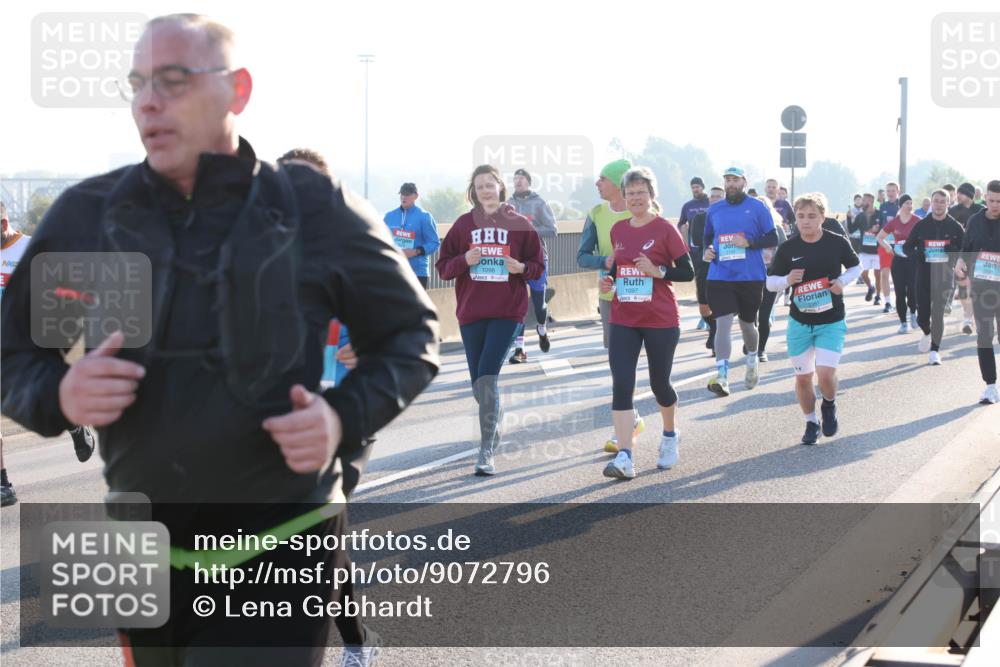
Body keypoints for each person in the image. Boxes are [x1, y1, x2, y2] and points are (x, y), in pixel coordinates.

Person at [1, 15, 439, 666]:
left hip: (281, 540)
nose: (148, 100)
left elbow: (412, 332)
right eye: (138, 83)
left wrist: (342, 416)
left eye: (173, 80)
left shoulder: (311, 207)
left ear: (238, 90)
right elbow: (13, 359)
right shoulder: (91, 217)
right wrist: (60, 391)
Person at [436, 164, 544, 475]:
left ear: (500, 187)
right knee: (478, 385)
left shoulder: (520, 223)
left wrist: (521, 268)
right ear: (474, 191)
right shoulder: (462, 225)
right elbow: (443, 268)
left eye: (490, 184)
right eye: (480, 185)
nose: (486, 190)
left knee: (487, 378)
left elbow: (538, 264)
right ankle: (493, 419)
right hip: (471, 312)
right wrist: (463, 260)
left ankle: (485, 451)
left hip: (507, 311)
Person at [599, 167, 693, 480]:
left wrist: (659, 271)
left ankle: (669, 433)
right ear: (623, 198)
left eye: (641, 192)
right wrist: (609, 282)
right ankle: (625, 455)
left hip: (660, 319)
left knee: (658, 383)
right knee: (622, 384)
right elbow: (618, 268)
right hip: (624, 317)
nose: (636, 198)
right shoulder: (619, 230)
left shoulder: (666, 229)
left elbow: (688, 271)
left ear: (651, 196)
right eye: (631, 193)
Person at [766, 193, 861, 445]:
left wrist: (842, 282)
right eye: (800, 216)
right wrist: (787, 280)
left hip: (830, 320)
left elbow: (856, 267)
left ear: (822, 217)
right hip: (800, 323)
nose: (805, 222)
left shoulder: (837, 242)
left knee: (826, 375)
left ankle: (828, 405)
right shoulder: (788, 248)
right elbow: (770, 282)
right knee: (803, 377)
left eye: (811, 216)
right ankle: (810, 421)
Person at [577, 159, 646, 452]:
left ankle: (633, 424)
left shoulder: (644, 212)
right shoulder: (595, 214)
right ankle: (631, 421)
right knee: (619, 363)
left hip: (644, 297)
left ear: (619, 184)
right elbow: (582, 256)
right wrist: (602, 261)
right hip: (610, 298)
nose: (597, 183)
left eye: (602, 179)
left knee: (636, 364)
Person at [702, 166, 778, 396]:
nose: (731, 184)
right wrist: (707, 251)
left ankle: (752, 360)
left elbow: (772, 237)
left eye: (735, 180)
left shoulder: (757, 207)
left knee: (747, 324)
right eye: (727, 180)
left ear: (744, 182)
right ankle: (722, 376)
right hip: (720, 275)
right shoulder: (715, 210)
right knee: (722, 322)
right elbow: (707, 238)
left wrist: (750, 243)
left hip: (750, 276)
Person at [902, 190, 964, 365]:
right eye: (936, 201)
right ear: (932, 203)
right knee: (922, 316)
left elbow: (965, 250)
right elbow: (907, 247)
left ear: (948, 204)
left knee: (937, 314)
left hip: (944, 276)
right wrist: (917, 255)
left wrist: (954, 252)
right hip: (923, 274)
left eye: (942, 202)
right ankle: (928, 333)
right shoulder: (921, 225)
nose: (938, 204)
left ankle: (935, 351)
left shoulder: (955, 226)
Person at [956, 180, 1000, 404]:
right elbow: (966, 247)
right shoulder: (975, 221)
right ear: (986, 199)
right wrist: (960, 262)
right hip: (982, 287)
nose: (994, 205)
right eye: (991, 200)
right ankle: (990, 386)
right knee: (984, 335)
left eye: (999, 201)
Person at [508, 168, 557, 363]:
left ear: (528, 182)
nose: (518, 181)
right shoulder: (508, 204)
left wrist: (528, 230)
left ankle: (542, 329)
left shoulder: (539, 203)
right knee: (517, 305)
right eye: (515, 179)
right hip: (514, 260)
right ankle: (520, 349)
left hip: (536, 258)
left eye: (521, 179)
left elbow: (553, 230)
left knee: (538, 305)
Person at [383, 182, 441, 290]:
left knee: (415, 307)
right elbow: (381, 240)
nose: (404, 197)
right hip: (394, 271)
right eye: (402, 194)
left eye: (407, 194)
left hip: (418, 273)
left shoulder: (424, 217)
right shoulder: (389, 217)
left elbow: (434, 243)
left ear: (415, 196)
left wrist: (415, 251)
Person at [688, 186, 724, 351]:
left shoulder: (729, 218)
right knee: (704, 307)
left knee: (721, 303)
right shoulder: (700, 218)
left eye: (719, 196)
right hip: (704, 266)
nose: (715, 199)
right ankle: (713, 326)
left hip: (725, 267)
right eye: (713, 196)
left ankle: (717, 332)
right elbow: (698, 239)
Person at [877, 194, 919, 332]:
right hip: (898, 261)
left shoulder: (917, 220)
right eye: (907, 203)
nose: (910, 205)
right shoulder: (894, 222)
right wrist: (887, 246)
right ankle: (903, 323)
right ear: (901, 206)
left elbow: (925, 235)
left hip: (913, 261)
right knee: (900, 292)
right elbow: (880, 237)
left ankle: (913, 313)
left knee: (912, 291)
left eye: (911, 203)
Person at [755, 196, 788, 362]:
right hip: (751, 278)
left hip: (770, 277)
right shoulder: (749, 228)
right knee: (749, 315)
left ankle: (760, 349)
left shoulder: (777, 229)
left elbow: (785, 253)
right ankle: (751, 341)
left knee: (764, 316)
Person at [950, 182, 985, 334]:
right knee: (963, 287)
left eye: (961, 193)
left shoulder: (981, 210)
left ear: (969, 195)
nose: (957, 196)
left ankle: (973, 318)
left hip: (979, 254)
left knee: (977, 288)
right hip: (959, 254)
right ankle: (968, 317)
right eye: (957, 193)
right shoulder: (953, 211)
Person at [852, 193, 883, 304]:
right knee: (863, 273)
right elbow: (851, 230)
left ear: (871, 201)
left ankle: (878, 297)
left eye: (865, 200)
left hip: (877, 250)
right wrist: (848, 217)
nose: (863, 203)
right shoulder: (860, 216)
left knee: (878, 275)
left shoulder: (879, 214)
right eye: (863, 200)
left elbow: (885, 228)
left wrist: (878, 230)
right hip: (864, 249)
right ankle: (871, 287)